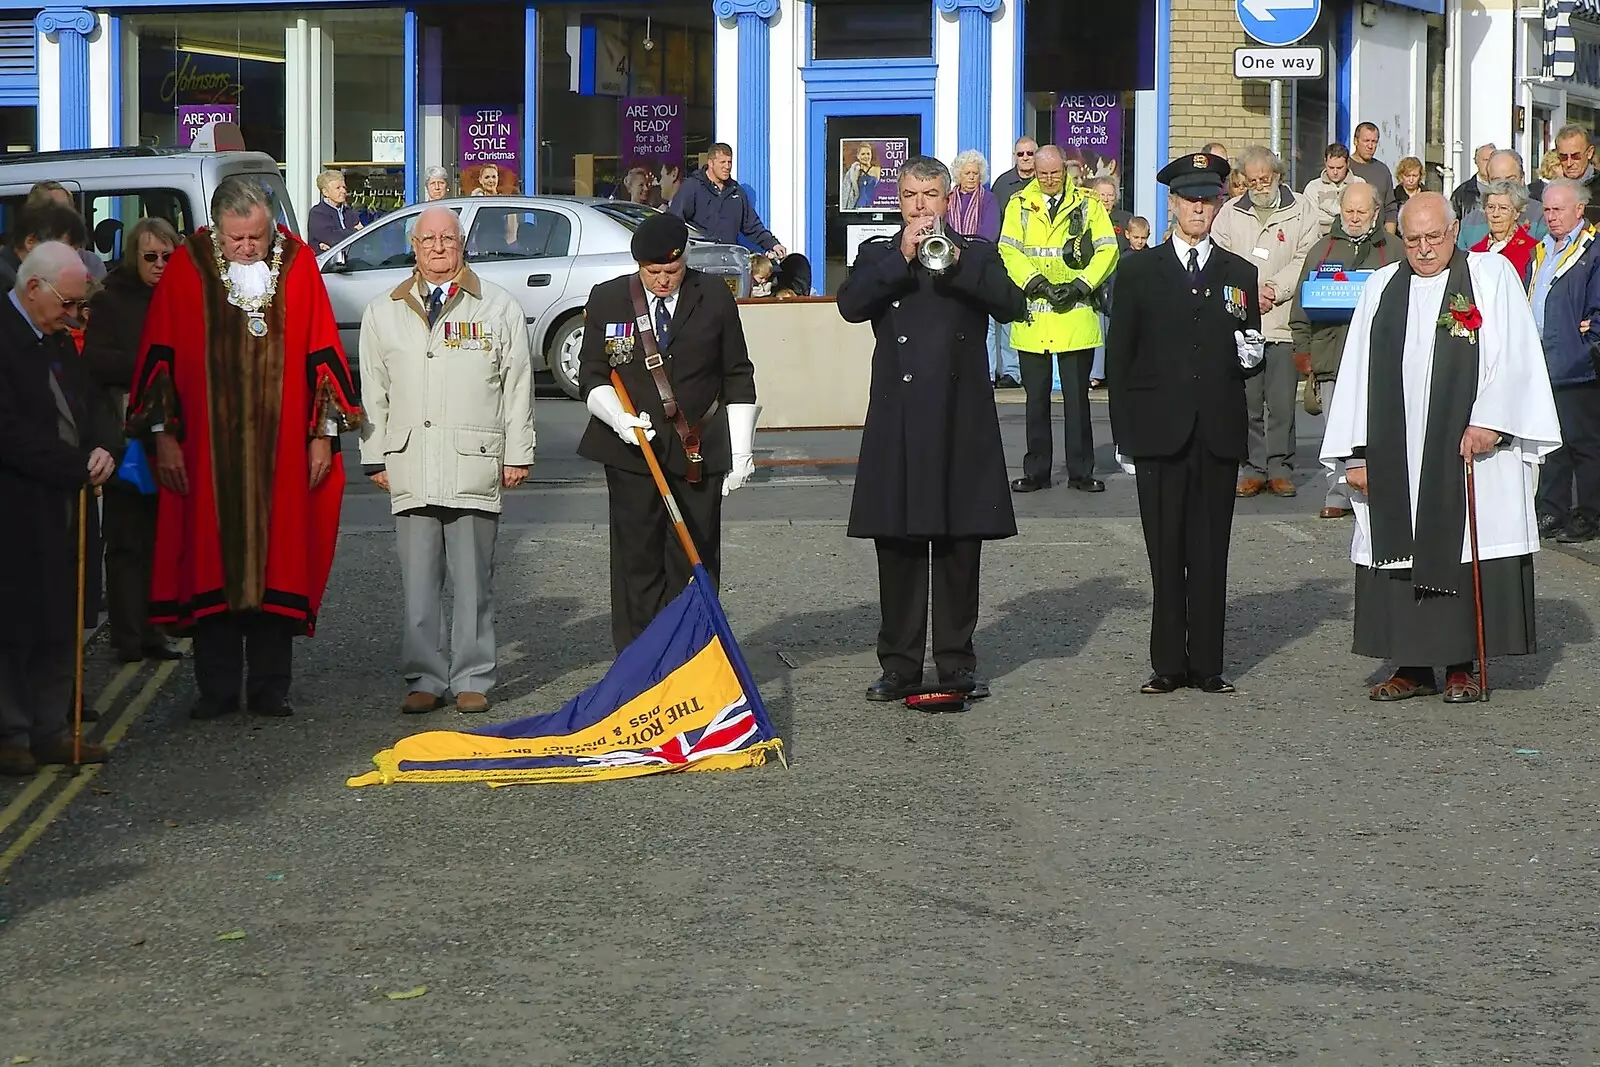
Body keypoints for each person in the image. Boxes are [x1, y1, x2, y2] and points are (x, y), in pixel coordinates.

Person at [127, 177, 363, 720]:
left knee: (280, 562)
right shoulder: (188, 266)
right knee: (208, 564)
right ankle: (215, 689)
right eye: (237, 239)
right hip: (207, 455)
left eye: (256, 236)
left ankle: (269, 689)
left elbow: (323, 353)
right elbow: (159, 356)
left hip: (281, 455)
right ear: (216, 228)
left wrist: (322, 437)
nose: (249, 248)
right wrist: (164, 440)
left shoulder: (297, 262)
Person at [1321, 192, 1560, 703]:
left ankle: (1461, 664)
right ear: (1399, 238)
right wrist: (1356, 454)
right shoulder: (1382, 287)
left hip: (1467, 445)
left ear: (1455, 232)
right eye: (1414, 240)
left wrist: (1491, 423)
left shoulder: (1491, 276)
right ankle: (1409, 664)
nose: (1426, 249)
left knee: (1461, 543)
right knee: (1401, 542)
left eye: (1435, 237)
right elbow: (1358, 372)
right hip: (1397, 448)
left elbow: (1515, 353)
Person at [837, 156, 1025, 703]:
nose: (920, 206)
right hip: (898, 415)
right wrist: (902, 255)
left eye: (931, 196)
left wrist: (959, 262)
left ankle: (955, 663)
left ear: (948, 201)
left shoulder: (976, 252)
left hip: (959, 415)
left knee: (958, 545)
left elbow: (1011, 305)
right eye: (911, 196)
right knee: (896, 545)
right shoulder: (877, 254)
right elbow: (851, 306)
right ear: (899, 200)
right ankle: (898, 665)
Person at [357, 206, 535, 715]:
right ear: (413, 246)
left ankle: (473, 675)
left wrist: (517, 452)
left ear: (464, 244)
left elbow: (518, 385)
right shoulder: (382, 311)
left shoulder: (496, 306)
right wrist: (375, 456)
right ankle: (425, 677)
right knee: (417, 582)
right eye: (428, 239)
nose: (438, 247)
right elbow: (374, 390)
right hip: (409, 459)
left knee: (474, 579)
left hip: (474, 461)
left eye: (448, 238)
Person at [1106, 152, 1265, 695]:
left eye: (1208, 199)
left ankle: (1208, 666)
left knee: (1210, 551)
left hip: (1216, 429)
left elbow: (1250, 349)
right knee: (1165, 551)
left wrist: (1252, 354)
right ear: (1171, 204)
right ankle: (1168, 664)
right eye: (1190, 199)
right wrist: (1123, 435)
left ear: (1219, 204)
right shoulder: (1138, 269)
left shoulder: (1238, 271)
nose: (1199, 208)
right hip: (1159, 430)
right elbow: (1120, 357)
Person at [576, 212, 757, 652]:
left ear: (685, 260)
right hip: (632, 453)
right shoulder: (609, 299)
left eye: (671, 271)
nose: (662, 280)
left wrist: (741, 452)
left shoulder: (713, 296)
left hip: (698, 448)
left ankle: (693, 656)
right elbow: (592, 373)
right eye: (653, 272)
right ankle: (639, 662)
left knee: (694, 558)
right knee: (636, 560)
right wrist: (618, 418)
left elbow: (737, 373)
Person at [0, 242, 118, 773]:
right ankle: (12, 734)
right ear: (33, 289)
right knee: (16, 624)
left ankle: (52, 729)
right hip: (18, 508)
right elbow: (10, 433)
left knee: (61, 621)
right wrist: (75, 467)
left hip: (65, 503)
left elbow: (89, 402)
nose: (73, 317)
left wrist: (102, 448)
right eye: (67, 304)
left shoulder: (55, 337)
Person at [81, 217, 185, 664]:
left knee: (164, 539)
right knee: (126, 542)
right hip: (127, 434)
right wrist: (151, 365)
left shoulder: (180, 296)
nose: (160, 265)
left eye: (168, 256)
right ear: (132, 257)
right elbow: (96, 362)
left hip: (175, 431)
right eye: (150, 257)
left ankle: (155, 631)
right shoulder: (110, 298)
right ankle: (126, 636)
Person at [998, 145, 1119, 494]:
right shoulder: (1019, 204)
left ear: (1065, 170)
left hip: (1075, 315)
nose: (1050, 180)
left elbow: (1107, 248)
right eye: (1043, 173)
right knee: (1035, 400)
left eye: (1055, 173)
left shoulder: (1088, 202)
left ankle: (1081, 472)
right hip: (1034, 315)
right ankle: (1037, 470)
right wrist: (1036, 284)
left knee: (1076, 400)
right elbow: (1009, 249)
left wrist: (1081, 286)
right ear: (1033, 171)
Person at [1210, 144, 1320, 498]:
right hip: (1242, 321)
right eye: (1252, 180)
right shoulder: (1228, 214)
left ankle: (1280, 467)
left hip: (1284, 321)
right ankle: (1253, 467)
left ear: (1277, 175)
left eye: (1265, 178)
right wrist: (1248, 292)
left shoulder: (1302, 208)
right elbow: (1219, 261)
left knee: (1282, 403)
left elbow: (1307, 257)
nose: (1259, 185)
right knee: (1247, 402)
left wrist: (1274, 288)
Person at [1288, 182, 1396, 519]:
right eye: (1348, 210)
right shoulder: (1322, 250)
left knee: (1378, 428)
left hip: (1380, 356)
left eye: (1361, 211)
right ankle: (1337, 494)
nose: (1354, 217)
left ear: (1376, 213)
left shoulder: (1394, 250)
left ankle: (1383, 490)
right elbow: (1300, 306)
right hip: (1330, 354)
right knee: (1336, 429)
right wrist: (1302, 349)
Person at [1525, 179, 1600, 544]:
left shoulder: (1592, 250)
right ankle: (1551, 508)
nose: (1550, 217)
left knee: (1583, 443)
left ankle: (1588, 513)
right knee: (1551, 442)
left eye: (1557, 210)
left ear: (1579, 210)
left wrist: (1589, 340)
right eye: (1547, 210)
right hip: (1543, 359)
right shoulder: (1543, 250)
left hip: (1576, 362)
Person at [667, 143, 787, 258]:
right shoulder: (692, 187)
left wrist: (773, 244)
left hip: (729, 260)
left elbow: (751, 226)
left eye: (729, 162)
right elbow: (675, 222)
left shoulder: (736, 192)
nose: (727, 166)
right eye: (722, 162)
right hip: (700, 259)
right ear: (710, 163)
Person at [1458, 150, 1548, 249]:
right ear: (1488, 181)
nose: (1504, 186)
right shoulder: (1470, 222)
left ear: (1522, 178)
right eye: (1497, 181)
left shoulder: (1542, 215)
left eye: (1510, 179)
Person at [25, 182, 106, 280]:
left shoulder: (91, 262)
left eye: (66, 209)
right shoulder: (21, 262)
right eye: (53, 209)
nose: (63, 215)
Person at [0, 202, 89, 291]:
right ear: (31, 242)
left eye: (76, 252)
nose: (73, 260)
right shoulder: (9, 286)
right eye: (64, 250)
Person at [1468, 179, 1538, 284]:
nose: (1495, 214)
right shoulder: (1474, 252)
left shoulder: (1533, 250)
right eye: (1490, 207)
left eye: (1503, 208)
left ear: (1517, 213)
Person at [1301, 142, 1367, 237]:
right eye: (1331, 167)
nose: (1335, 172)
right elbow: (1311, 219)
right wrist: (1344, 216)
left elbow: (1364, 215)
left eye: (1339, 168)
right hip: (1321, 239)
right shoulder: (1313, 187)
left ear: (1347, 163)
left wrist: (1325, 214)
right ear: (1325, 162)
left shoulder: (1359, 184)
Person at [1349, 122, 1399, 231]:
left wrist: (1389, 239)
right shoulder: (1344, 167)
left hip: (1377, 238)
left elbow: (1390, 208)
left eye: (1374, 141)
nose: (1370, 146)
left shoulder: (1382, 170)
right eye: (1366, 141)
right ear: (1355, 141)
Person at [1552, 124, 1600, 223]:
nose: (1569, 163)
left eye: (1576, 156)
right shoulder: (1550, 191)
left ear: (1590, 153)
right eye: (1563, 157)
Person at [307, 168, 363, 253]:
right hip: (328, 264)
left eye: (344, 187)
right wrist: (355, 231)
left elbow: (362, 237)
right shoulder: (317, 213)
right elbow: (332, 238)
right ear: (325, 192)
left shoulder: (349, 212)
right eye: (338, 188)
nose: (343, 191)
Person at [1450, 143, 1496, 221]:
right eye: (1485, 160)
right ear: (1476, 161)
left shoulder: (1506, 190)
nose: (1489, 164)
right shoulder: (1462, 193)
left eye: (1493, 160)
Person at [991, 136, 1038, 211]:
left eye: (1030, 153)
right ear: (1014, 156)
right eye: (1020, 154)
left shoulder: (1044, 180)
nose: (1025, 158)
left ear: (1037, 154)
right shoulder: (1002, 184)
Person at [842, 142, 883, 211]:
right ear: (858, 156)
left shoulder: (876, 169)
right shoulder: (854, 170)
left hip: (873, 206)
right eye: (863, 154)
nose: (866, 156)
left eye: (868, 154)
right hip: (858, 207)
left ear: (871, 155)